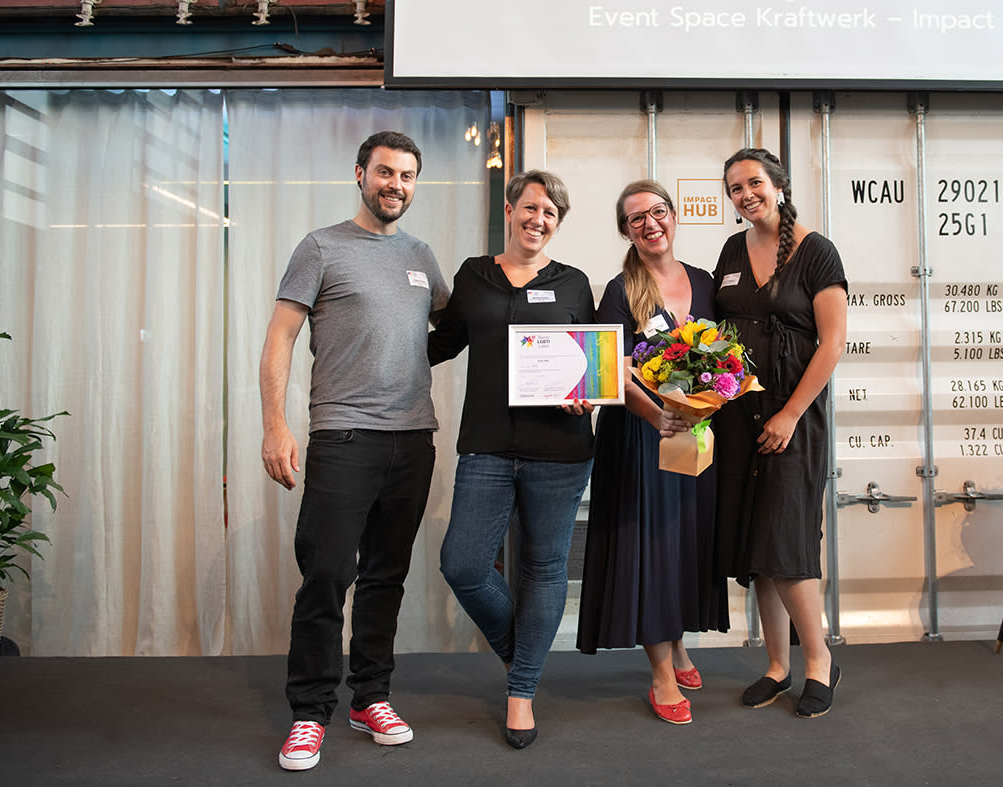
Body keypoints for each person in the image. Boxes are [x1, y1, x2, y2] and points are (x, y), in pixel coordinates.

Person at [259, 131, 449, 771]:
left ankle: (372, 696)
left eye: (408, 175)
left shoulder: (422, 255)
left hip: (412, 438)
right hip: (343, 434)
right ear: (361, 174)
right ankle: (310, 712)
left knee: (385, 576)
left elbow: (460, 323)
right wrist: (275, 426)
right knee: (327, 573)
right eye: (386, 172)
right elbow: (281, 337)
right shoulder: (321, 247)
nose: (396, 184)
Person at [428, 170, 595, 749]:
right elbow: (440, 342)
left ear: (557, 223)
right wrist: (372, 342)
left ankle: (520, 692)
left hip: (560, 450)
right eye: (531, 208)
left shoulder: (574, 283)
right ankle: (521, 653)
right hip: (488, 448)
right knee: (465, 566)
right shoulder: (474, 275)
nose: (538, 219)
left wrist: (585, 398)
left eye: (550, 213)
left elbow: (588, 366)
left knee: (545, 569)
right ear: (510, 209)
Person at [576, 180, 729, 725]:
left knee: (685, 546)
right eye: (636, 218)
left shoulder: (708, 282)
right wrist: (658, 415)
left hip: (694, 435)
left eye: (657, 212)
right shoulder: (621, 291)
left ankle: (679, 644)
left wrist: (712, 399)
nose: (650, 223)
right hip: (642, 440)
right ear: (626, 230)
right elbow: (609, 371)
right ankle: (662, 673)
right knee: (651, 552)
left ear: (673, 216)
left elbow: (725, 359)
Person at [711, 148, 848, 718]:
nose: (745, 194)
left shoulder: (816, 251)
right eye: (735, 188)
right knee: (755, 546)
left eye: (754, 183)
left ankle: (819, 662)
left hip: (793, 417)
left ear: (779, 186)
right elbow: (716, 331)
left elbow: (833, 342)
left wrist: (790, 414)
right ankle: (776, 665)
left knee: (787, 541)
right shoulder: (731, 249)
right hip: (738, 416)